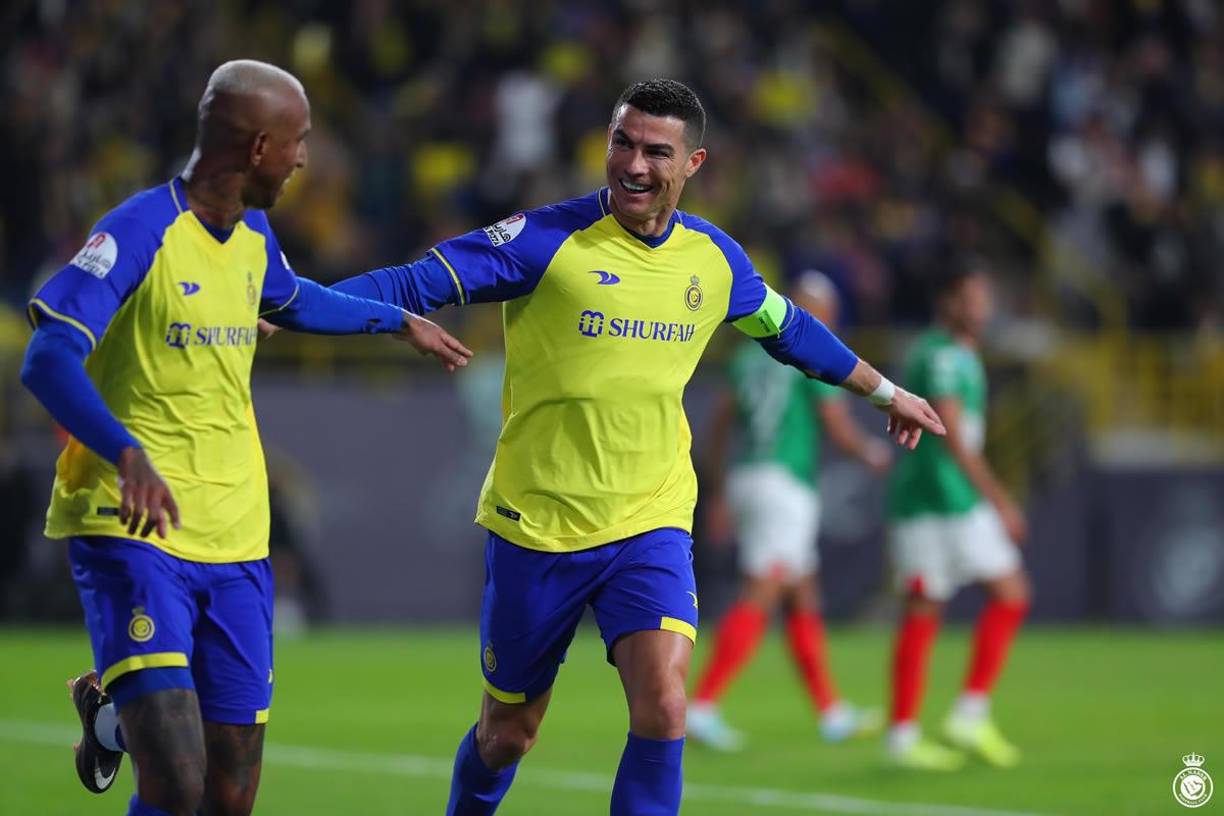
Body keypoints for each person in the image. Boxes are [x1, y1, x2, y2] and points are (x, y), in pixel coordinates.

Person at [333, 78, 944, 816]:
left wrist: (885, 391)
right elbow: (416, 280)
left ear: (694, 164)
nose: (634, 164)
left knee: (664, 706)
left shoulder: (713, 260)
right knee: (508, 734)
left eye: (657, 151)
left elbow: (790, 331)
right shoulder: (545, 239)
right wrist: (297, 304)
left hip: (650, 519)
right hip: (539, 523)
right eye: (622, 143)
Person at [21, 60, 470, 816]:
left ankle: (110, 719)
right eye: (298, 142)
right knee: (175, 782)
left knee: (228, 794)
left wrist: (397, 322)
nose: (304, 160)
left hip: (236, 535)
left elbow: (293, 301)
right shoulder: (139, 230)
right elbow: (47, 356)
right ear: (260, 146)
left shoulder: (253, 233)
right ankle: (124, 720)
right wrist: (124, 450)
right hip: (132, 526)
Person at [687, 271, 892, 752]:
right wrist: (870, 452)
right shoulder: (808, 352)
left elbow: (719, 424)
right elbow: (834, 421)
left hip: (748, 476)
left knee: (801, 594)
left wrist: (719, 491)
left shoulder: (746, 356)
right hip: (783, 483)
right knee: (765, 587)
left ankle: (831, 712)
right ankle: (702, 704)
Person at [883, 264, 1030, 771]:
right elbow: (952, 436)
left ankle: (953, 718)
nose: (980, 308)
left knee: (995, 596)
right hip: (938, 501)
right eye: (970, 298)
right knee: (938, 605)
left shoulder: (960, 353)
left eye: (984, 298)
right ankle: (916, 732)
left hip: (946, 501)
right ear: (947, 301)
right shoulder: (941, 354)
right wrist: (1000, 499)